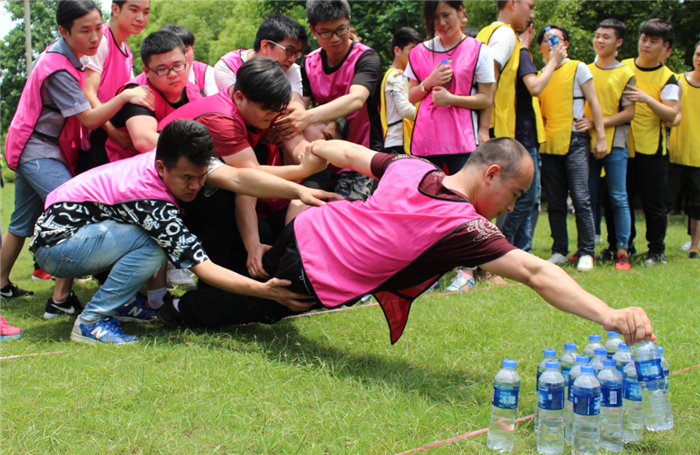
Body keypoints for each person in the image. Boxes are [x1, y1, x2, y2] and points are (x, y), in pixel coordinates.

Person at [159, 137, 656, 350]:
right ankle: (172, 310)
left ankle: (202, 279)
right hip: (313, 275)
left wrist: (315, 151)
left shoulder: (414, 166)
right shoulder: (462, 226)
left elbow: (351, 153)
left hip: (306, 227)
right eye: (515, 194)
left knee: (258, 269)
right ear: (492, 173)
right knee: (256, 307)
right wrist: (610, 316)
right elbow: (536, 272)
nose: (510, 206)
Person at [29, 119, 336, 345]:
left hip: (79, 233)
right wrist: (264, 290)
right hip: (59, 246)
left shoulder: (180, 157)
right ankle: (91, 322)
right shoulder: (151, 197)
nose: (196, 186)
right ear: (162, 168)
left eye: (201, 176)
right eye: (187, 178)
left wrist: (299, 191)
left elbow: (241, 179)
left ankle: (122, 304)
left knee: (151, 239)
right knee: (152, 245)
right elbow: (202, 266)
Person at [1, 0, 153, 316]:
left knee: (20, 223)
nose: (95, 37)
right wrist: (125, 96)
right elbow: (88, 118)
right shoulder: (56, 66)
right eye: (85, 30)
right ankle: (60, 301)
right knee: (79, 211)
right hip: (36, 150)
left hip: (38, 146)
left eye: (98, 28)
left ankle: (3, 284)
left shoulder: (72, 58)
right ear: (63, 32)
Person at [159, 58, 330, 281]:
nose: (271, 118)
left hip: (208, 172)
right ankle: (211, 289)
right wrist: (303, 169)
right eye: (267, 112)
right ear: (239, 98)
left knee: (261, 229)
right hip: (169, 179)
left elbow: (291, 144)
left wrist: (312, 154)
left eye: (276, 112)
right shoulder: (223, 120)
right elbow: (250, 176)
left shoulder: (262, 101)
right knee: (222, 213)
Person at [406, 0, 495, 292]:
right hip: (424, 142)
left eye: (447, 15)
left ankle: (466, 272)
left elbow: (485, 99)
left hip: (462, 142)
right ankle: (428, 273)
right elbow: (411, 97)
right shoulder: (418, 52)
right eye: (435, 18)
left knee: (466, 205)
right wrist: (429, 82)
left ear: (462, 13)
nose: (441, 23)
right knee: (426, 206)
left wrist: (452, 99)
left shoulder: (479, 50)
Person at [280, 0, 382, 200]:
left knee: (347, 216)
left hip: (360, 156)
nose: (335, 38)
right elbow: (299, 103)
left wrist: (307, 117)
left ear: (349, 21)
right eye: (325, 32)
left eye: (341, 29)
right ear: (313, 29)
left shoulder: (366, 58)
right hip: (321, 155)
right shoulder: (309, 64)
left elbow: (356, 100)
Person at [536, 24, 607, 272]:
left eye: (557, 39)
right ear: (540, 47)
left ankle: (587, 251)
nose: (552, 43)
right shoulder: (539, 74)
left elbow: (594, 103)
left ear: (565, 44)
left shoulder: (578, 67)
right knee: (554, 201)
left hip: (576, 140)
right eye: (547, 39)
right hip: (548, 144)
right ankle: (559, 250)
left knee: (580, 197)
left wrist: (600, 137)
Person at [500, 20, 567, 252]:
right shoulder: (522, 54)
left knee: (530, 200)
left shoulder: (513, 55)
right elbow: (535, 87)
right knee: (526, 198)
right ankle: (501, 247)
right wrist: (555, 61)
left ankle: (522, 252)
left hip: (524, 135)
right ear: (530, 30)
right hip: (523, 137)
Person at [577, 19, 636, 271]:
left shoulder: (625, 73)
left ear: (619, 42)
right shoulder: (584, 69)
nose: (599, 40)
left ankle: (622, 250)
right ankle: (586, 249)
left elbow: (629, 113)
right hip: (584, 143)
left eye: (606, 37)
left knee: (618, 197)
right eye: (597, 35)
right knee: (587, 197)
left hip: (617, 143)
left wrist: (596, 124)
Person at [622, 19, 680, 267]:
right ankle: (625, 246)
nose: (645, 45)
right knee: (620, 199)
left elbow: (672, 115)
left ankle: (656, 251)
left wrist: (646, 98)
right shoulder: (623, 67)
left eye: (653, 41)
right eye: (643, 38)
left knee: (653, 204)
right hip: (622, 146)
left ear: (666, 48)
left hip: (652, 149)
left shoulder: (668, 78)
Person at [75, 0, 150, 174]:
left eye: (145, 12)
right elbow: (88, 93)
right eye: (134, 10)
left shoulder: (127, 51)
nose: (140, 18)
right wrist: (113, 131)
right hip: (92, 142)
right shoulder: (100, 40)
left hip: (107, 144)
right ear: (115, 9)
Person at [104, 30, 203, 162]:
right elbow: (144, 140)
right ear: (147, 71)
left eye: (178, 65)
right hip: (121, 166)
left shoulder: (196, 92)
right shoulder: (137, 93)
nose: (172, 74)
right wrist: (198, 150)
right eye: (162, 69)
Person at [667, 41, 700, 259]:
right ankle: (657, 244)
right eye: (698, 54)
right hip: (675, 153)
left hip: (699, 158)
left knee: (697, 205)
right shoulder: (677, 81)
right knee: (664, 201)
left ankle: (694, 246)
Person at [381, 27, 422, 155]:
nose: (417, 55)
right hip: (399, 143)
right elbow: (404, 109)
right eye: (412, 50)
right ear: (397, 50)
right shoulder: (397, 76)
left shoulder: (396, 75)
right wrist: (429, 117)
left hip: (398, 142)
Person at [160, 24, 218, 97]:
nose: (182, 57)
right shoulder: (153, 75)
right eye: (174, 52)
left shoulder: (207, 73)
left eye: (185, 50)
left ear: (192, 50)